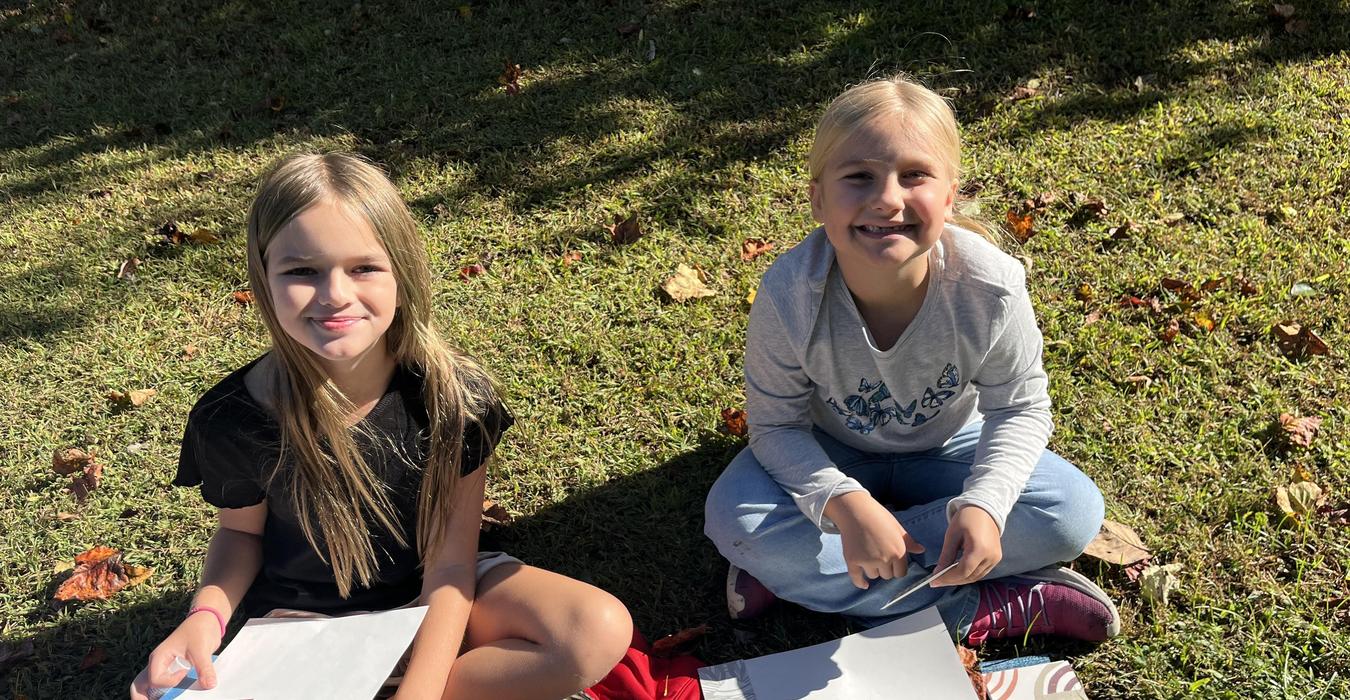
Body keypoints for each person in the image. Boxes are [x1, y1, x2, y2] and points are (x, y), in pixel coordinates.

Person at [130, 153, 632, 700]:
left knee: (593, 628)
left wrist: (421, 689)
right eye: (301, 271)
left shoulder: (454, 399)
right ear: (264, 277)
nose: (335, 295)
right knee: (150, 692)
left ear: (402, 272)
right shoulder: (234, 417)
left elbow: (450, 565)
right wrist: (205, 615)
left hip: (436, 598)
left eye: (363, 267)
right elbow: (239, 534)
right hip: (303, 617)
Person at [704, 76, 1121, 646]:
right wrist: (846, 506)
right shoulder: (789, 293)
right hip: (831, 447)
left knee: (1070, 512)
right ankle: (978, 607)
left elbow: (1020, 407)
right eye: (859, 177)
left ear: (949, 196)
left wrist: (986, 505)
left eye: (915, 175)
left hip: (948, 445)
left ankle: (805, 574)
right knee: (735, 518)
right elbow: (776, 426)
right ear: (817, 197)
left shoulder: (990, 288)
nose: (887, 199)